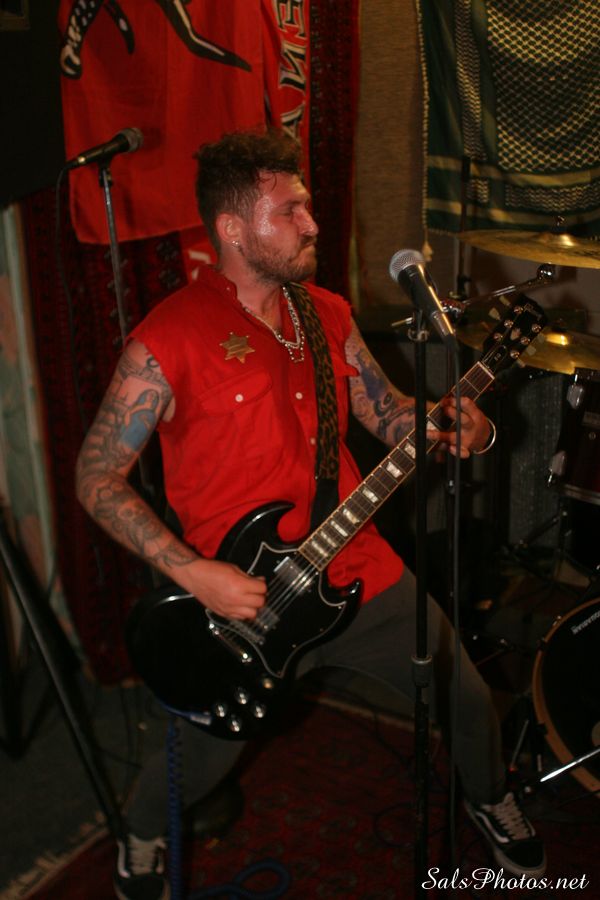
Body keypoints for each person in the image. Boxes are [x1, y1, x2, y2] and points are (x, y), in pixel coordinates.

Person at [75, 128, 546, 900]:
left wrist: (460, 424)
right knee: (201, 753)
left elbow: (389, 415)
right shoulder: (167, 339)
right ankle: (142, 831)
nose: (312, 223)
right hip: (238, 599)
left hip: (359, 564)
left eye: (307, 207)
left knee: (463, 693)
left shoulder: (326, 313)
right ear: (233, 229)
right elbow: (96, 476)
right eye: (289, 211)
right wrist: (192, 574)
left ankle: (490, 796)